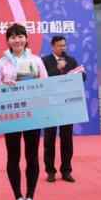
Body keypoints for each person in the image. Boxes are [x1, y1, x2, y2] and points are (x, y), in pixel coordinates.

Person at [0, 23, 48, 200]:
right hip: (12, 115)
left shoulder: (36, 60)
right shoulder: (1, 63)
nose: (17, 40)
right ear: (8, 41)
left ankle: (30, 198)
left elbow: (45, 85)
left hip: (33, 114)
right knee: (13, 156)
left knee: (32, 156)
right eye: (13, 37)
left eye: (20, 36)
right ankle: (17, 198)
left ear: (26, 38)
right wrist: (4, 86)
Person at [42, 36, 85, 183]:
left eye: (64, 45)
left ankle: (66, 170)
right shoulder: (45, 61)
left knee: (67, 139)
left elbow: (82, 77)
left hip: (68, 105)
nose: (63, 48)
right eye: (60, 46)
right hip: (50, 105)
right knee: (49, 139)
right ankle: (50, 171)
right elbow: (42, 80)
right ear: (53, 46)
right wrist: (57, 68)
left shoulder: (71, 60)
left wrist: (80, 74)